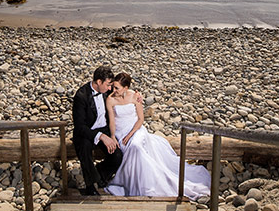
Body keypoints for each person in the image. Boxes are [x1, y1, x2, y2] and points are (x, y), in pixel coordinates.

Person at [105, 73, 211, 199]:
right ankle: (135, 182)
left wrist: (131, 134)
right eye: (113, 87)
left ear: (126, 88)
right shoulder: (110, 99)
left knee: (136, 146)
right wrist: (112, 136)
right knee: (133, 150)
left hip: (136, 130)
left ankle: (147, 186)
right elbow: (112, 121)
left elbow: (140, 119)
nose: (114, 90)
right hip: (120, 132)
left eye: (117, 88)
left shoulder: (134, 96)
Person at [71, 65, 123, 196]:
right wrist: (100, 136)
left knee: (117, 155)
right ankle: (90, 186)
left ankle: (99, 174)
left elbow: (122, 92)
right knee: (85, 148)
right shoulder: (81, 96)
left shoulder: (106, 92)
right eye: (108, 84)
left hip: (104, 129)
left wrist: (136, 96)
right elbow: (79, 126)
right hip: (86, 132)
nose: (110, 88)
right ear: (99, 82)